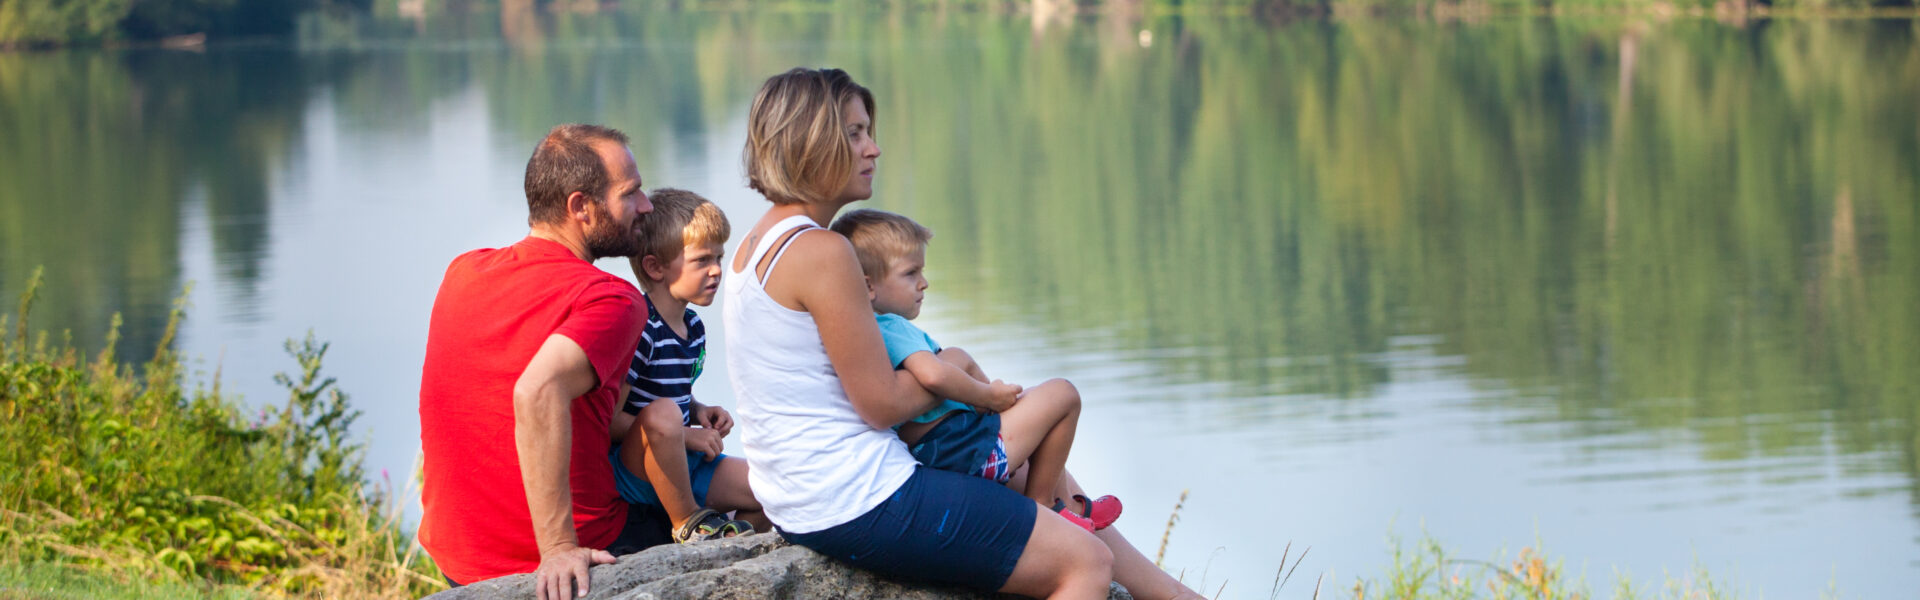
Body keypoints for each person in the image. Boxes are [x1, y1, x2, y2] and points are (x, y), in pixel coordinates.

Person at [418, 124, 670, 600]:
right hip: (567, 557)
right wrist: (557, 547)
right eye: (631, 193)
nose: (646, 206)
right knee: (729, 511)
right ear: (580, 207)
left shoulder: (464, 271)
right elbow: (536, 390)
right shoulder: (611, 298)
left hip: (459, 559)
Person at [828, 208, 1121, 531]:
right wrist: (989, 395)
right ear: (868, 287)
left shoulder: (863, 333)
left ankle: (1069, 506)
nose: (924, 283)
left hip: (947, 452)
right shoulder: (890, 326)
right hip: (967, 451)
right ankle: (1046, 505)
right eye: (911, 273)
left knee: (1037, 406)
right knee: (1063, 394)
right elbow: (934, 374)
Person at [606, 188, 764, 542]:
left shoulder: (692, 327)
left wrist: (699, 409)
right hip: (639, 467)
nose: (717, 271)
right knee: (663, 415)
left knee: (770, 492)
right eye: (702, 260)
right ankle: (687, 521)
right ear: (655, 267)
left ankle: (726, 561)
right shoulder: (641, 328)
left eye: (720, 258)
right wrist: (687, 435)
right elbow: (613, 419)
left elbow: (671, 390)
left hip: (684, 456)